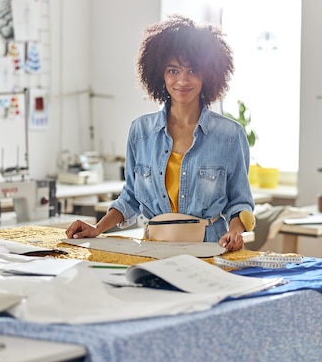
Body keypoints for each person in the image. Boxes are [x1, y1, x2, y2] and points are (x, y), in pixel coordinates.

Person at [65, 15, 254, 252]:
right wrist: (97, 228)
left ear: (208, 74)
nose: (182, 80)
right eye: (173, 70)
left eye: (193, 70)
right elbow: (131, 197)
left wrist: (235, 233)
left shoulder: (229, 135)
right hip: (153, 251)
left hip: (211, 251)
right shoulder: (140, 131)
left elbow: (240, 203)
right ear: (160, 75)